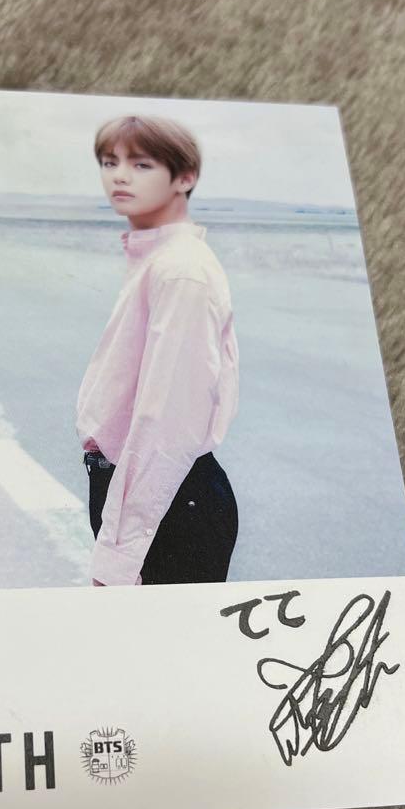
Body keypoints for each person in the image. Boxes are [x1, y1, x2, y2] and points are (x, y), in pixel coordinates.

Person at [76, 114, 240, 587]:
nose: (119, 176)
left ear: (184, 177)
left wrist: (118, 557)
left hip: (169, 507)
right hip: (157, 500)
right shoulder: (159, 261)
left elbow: (166, 425)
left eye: (141, 164)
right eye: (110, 162)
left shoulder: (181, 271)